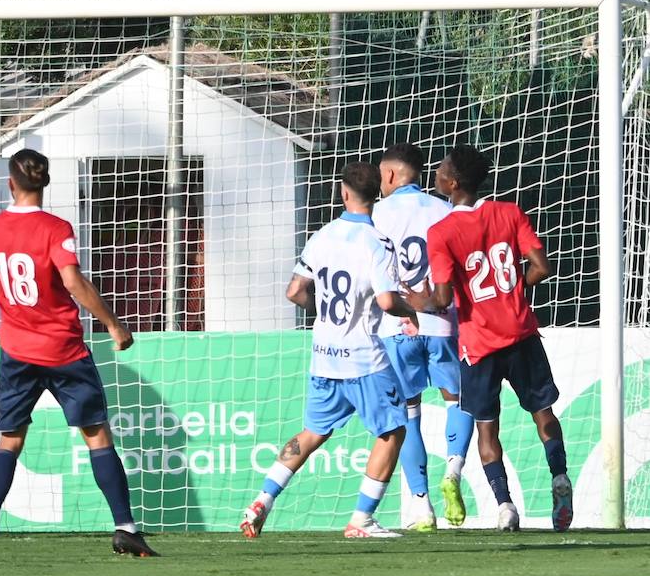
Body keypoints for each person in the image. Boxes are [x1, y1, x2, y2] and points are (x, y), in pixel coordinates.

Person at [0, 149, 156, 558]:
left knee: (9, 440)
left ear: (10, 183)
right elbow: (72, 281)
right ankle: (125, 528)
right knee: (97, 435)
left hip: (16, 350)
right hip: (63, 349)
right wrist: (113, 324)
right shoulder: (55, 228)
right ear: (43, 183)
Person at [241, 162, 418, 539]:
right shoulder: (378, 242)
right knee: (393, 430)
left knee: (310, 433)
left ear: (343, 192)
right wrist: (411, 311)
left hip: (324, 354)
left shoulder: (321, 236)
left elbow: (294, 291)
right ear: (379, 194)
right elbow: (387, 301)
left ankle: (262, 500)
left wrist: (322, 313)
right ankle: (361, 520)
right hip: (363, 358)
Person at [403, 145, 570, 532]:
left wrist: (417, 301)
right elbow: (542, 267)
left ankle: (505, 506)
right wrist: (510, 292)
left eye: (442, 167)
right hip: (522, 334)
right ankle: (560, 478)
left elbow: (443, 299)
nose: (437, 172)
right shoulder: (509, 213)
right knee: (542, 413)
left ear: (453, 182)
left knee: (486, 427)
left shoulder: (442, 231)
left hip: (478, 345)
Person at [373, 143, 474, 529]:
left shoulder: (377, 215)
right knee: (457, 400)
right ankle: (453, 470)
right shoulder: (443, 209)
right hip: (442, 320)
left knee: (407, 414)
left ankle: (421, 505)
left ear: (393, 175)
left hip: (397, 325)